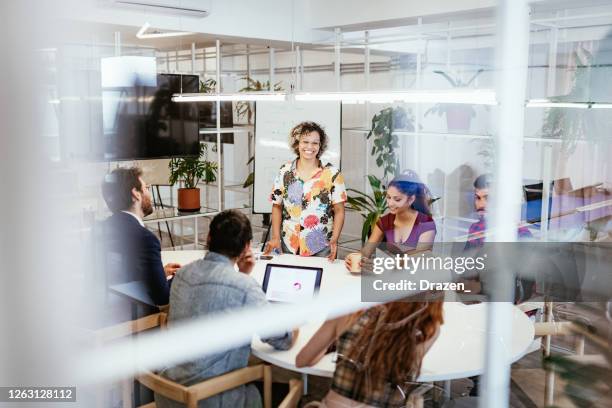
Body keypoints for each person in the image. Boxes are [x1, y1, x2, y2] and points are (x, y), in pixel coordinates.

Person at [156, 210, 298, 408]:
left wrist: (243, 276)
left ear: (209, 237)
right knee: (280, 388)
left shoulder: (183, 274)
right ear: (246, 247)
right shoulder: (244, 287)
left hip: (168, 393)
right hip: (210, 399)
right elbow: (282, 339)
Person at [296, 300, 444, 407]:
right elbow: (404, 368)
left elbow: (302, 360)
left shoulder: (350, 311)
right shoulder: (429, 329)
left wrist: (337, 343)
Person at [101, 167, 180, 311]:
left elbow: (121, 277)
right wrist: (182, 276)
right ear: (135, 194)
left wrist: (159, 275)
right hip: (136, 323)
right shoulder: (145, 239)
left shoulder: (99, 229)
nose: (149, 193)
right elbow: (162, 297)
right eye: (146, 188)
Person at [265, 121, 346, 260]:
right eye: (305, 141)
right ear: (298, 144)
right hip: (288, 244)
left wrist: (334, 239)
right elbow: (277, 206)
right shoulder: (285, 171)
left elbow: (339, 210)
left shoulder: (332, 173)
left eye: (315, 143)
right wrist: (276, 237)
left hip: (321, 245)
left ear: (320, 146)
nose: (310, 147)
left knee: (320, 281)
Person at [345, 171, 436, 271]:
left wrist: (388, 263)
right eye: (388, 197)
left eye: (397, 199)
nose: (390, 203)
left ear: (411, 199)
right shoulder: (384, 221)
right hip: (392, 278)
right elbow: (366, 250)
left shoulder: (426, 223)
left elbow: (421, 257)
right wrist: (357, 258)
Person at [464, 174, 532, 250]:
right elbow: (465, 259)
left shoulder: (518, 232)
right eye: (478, 198)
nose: (481, 204)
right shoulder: (475, 228)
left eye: (487, 198)